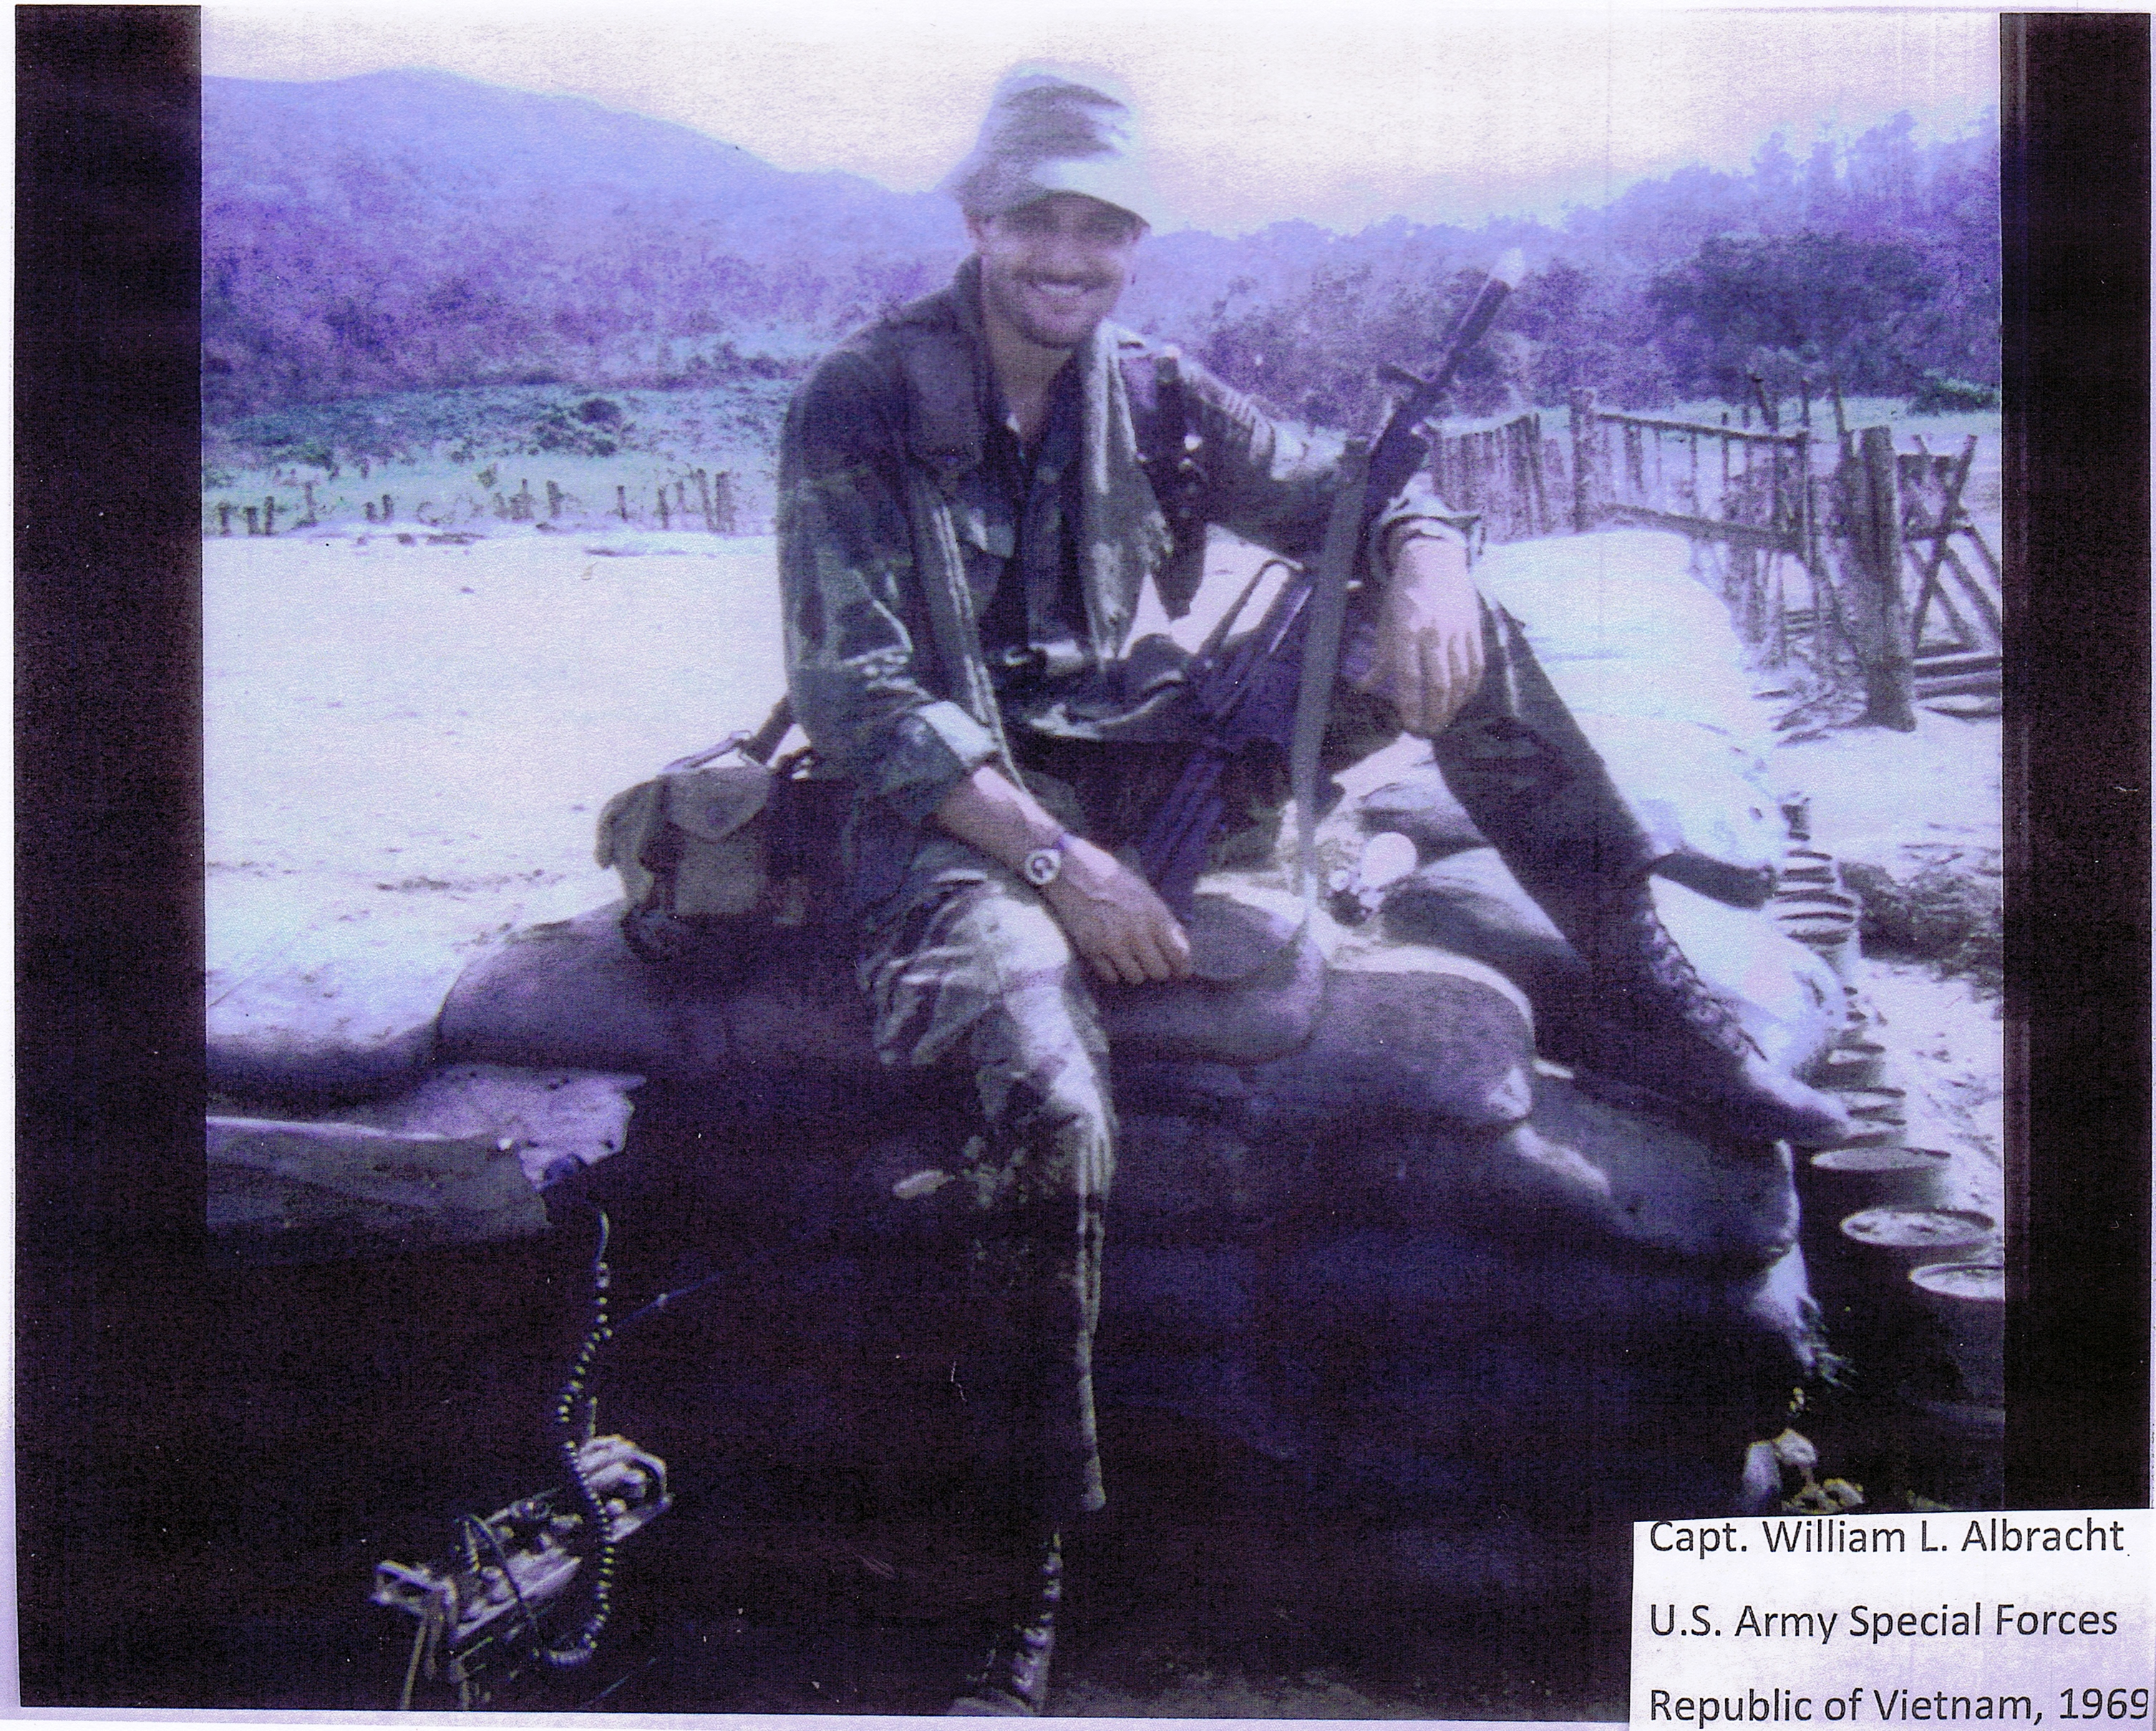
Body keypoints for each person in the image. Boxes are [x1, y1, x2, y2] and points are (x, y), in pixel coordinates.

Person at [776, 64, 1850, 1715]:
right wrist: (1064, 866)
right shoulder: (863, 400)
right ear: (979, 219)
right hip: (944, 813)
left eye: (1103, 226)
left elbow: (1354, 483)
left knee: (1465, 642)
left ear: (1133, 242)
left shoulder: (1154, 396)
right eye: (1039, 219)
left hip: (1127, 754)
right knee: (1049, 1100)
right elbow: (857, 696)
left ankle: (1657, 991)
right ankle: (1016, 1574)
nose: (1069, 254)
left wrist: (1428, 559)